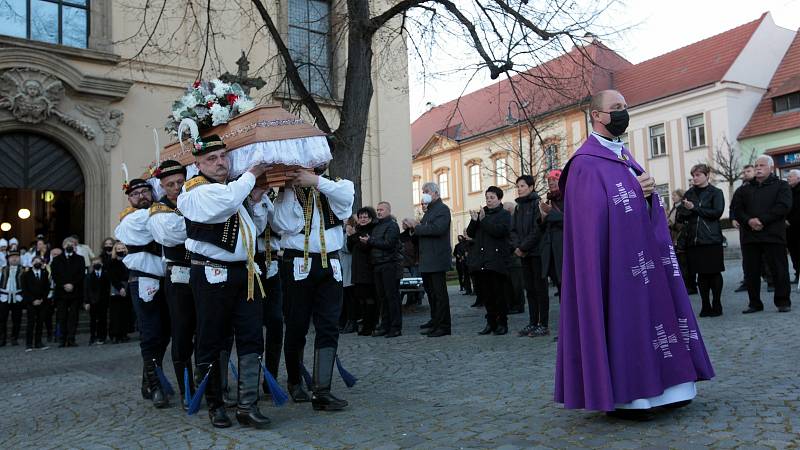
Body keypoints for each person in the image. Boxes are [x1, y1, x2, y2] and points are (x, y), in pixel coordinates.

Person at [556, 89, 714, 420]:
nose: (623, 112)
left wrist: (645, 196)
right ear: (596, 115)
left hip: (644, 259)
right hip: (614, 265)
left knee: (658, 319)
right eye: (616, 108)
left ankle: (673, 388)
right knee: (627, 321)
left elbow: (635, 204)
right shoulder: (585, 164)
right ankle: (632, 398)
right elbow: (590, 219)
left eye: (625, 106)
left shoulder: (623, 156)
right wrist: (633, 191)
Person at [177, 134, 271, 428]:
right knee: (211, 338)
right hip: (210, 273)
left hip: (245, 272)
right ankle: (216, 404)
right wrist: (252, 174)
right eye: (211, 159)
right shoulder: (194, 190)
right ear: (197, 164)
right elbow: (226, 202)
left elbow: (252, 229)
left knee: (252, 336)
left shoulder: (232, 189)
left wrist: (255, 201)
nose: (220, 163)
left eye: (222, 156)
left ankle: (247, 404)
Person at [273, 164, 355, 411]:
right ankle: (296, 381)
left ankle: (322, 390)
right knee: (297, 324)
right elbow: (284, 225)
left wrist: (317, 182)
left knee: (329, 325)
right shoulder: (288, 191)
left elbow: (346, 201)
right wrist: (291, 188)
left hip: (330, 260)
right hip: (298, 260)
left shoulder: (339, 183)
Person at [115, 177, 171, 409]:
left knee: (165, 333)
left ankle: (148, 380)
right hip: (143, 280)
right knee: (150, 333)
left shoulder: (160, 211)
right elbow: (152, 225)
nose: (141, 196)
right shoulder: (130, 219)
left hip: (165, 278)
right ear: (129, 199)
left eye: (146, 191)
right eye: (136, 194)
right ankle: (156, 385)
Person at [147, 159, 197, 410]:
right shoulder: (159, 210)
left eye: (180, 182)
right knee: (182, 332)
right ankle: (186, 387)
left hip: (202, 271)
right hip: (178, 274)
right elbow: (172, 234)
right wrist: (201, 221)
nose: (177, 187)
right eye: (171, 184)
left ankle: (210, 381)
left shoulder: (195, 199)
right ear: (163, 187)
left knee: (209, 329)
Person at [731, 155, 793, 314]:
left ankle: (783, 301)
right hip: (750, 236)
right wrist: (749, 221)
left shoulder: (781, 186)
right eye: (756, 165)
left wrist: (762, 221)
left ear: (771, 168)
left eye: (762, 165)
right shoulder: (743, 189)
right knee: (751, 272)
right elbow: (737, 209)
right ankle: (754, 303)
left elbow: (783, 206)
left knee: (779, 269)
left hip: (773, 235)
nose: (758, 168)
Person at [677, 164, 725, 317]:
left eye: (698, 175)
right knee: (701, 275)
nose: (695, 178)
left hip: (711, 239)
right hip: (694, 240)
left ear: (707, 175)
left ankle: (717, 303)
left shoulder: (716, 192)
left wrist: (694, 208)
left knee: (714, 273)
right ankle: (705, 305)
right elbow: (681, 215)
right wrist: (684, 209)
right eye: (693, 175)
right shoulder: (689, 193)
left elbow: (716, 212)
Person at [467, 186, 512, 335]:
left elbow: (499, 231)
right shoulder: (482, 214)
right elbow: (470, 233)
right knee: (487, 295)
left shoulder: (504, 214)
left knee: (499, 294)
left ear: (499, 199)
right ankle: (490, 322)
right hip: (482, 260)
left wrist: (483, 220)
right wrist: (474, 221)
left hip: (497, 260)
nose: (489, 200)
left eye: (492, 198)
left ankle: (502, 323)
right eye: (487, 198)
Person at [412, 182, 452, 338]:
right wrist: (414, 229)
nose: (424, 194)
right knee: (432, 294)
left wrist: (417, 227)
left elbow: (438, 229)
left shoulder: (442, 209)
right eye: (423, 191)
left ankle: (443, 325)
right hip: (428, 259)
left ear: (436, 193)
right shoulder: (429, 211)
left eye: (426, 191)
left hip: (437, 258)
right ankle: (435, 321)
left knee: (439, 295)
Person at [510, 175, 548, 337]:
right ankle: (533, 322)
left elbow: (537, 229)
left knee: (540, 290)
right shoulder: (518, 207)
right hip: (523, 254)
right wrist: (517, 247)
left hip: (536, 253)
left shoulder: (537, 204)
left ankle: (543, 324)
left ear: (531, 187)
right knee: (530, 290)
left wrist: (523, 247)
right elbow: (512, 230)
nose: (519, 188)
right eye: (518, 186)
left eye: (523, 186)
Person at [365, 201, 403, 338]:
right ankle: (385, 325)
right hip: (378, 265)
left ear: (388, 210)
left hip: (389, 265)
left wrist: (370, 241)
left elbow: (389, 244)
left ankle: (395, 327)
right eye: (377, 209)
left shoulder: (392, 226)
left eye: (381, 209)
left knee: (392, 297)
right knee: (382, 298)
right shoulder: (376, 226)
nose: (379, 212)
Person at [347, 207, 378, 336]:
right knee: (361, 299)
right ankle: (365, 323)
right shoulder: (358, 231)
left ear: (371, 218)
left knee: (370, 298)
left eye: (365, 217)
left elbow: (364, 246)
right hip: (357, 269)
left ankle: (370, 325)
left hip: (368, 269)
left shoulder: (372, 230)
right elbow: (350, 247)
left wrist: (353, 235)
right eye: (360, 217)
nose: (363, 219)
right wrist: (351, 237)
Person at [50, 237, 86, 348]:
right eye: (67, 244)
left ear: (75, 246)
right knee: (62, 316)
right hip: (61, 292)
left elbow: (81, 274)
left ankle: (71, 338)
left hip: (75, 291)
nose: (69, 245)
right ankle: (62, 339)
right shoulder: (56, 260)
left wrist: (72, 284)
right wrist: (64, 284)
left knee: (73, 317)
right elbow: (55, 275)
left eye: (72, 244)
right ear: (63, 246)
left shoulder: (80, 259)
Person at [540, 170, 565, 301]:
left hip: (565, 250)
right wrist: (542, 219)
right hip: (552, 252)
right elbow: (543, 228)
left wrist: (550, 213)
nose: (551, 183)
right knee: (560, 286)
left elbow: (571, 221)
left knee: (567, 286)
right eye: (549, 181)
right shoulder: (548, 200)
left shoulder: (569, 197)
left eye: (554, 180)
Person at [731, 165, 756, 293]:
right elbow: (734, 206)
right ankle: (748, 281)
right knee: (747, 257)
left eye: (748, 171)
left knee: (765, 256)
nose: (746, 173)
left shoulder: (760, 187)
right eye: (744, 171)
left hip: (760, 225)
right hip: (745, 228)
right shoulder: (740, 190)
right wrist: (734, 218)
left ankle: (770, 280)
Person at [22, 256, 50, 351]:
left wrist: (42, 299)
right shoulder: (26, 275)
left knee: (40, 323)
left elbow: (47, 288)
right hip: (31, 303)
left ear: (42, 263)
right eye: (35, 261)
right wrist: (32, 300)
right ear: (32, 262)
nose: (37, 263)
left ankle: (38, 342)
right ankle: (29, 343)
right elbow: (25, 290)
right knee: (30, 323)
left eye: (39, 262)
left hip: (42, 302)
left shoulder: (45, 273)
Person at [0, 248, 25, 346]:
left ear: (19, 258)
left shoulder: (24, 270)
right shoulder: (2, 269)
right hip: (4, 297)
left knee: (17, 319)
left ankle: (14, 338)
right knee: (2, 320)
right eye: (12, 257)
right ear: (8, 259)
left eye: (16, 257)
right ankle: (2, 339)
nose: (14, 259)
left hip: (18, 297)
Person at [83, 256, 111, 344]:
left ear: (101, 264)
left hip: (103, 301)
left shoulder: (106, 274)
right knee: (93, 320)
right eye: (94, 263)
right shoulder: (89, 276)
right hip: (93, 301)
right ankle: (92, 337)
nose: (96, 265)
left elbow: (108, 288)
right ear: (92, 265)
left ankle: (102, 337)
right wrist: (86, 302)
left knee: (103, 320)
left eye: (98, 263)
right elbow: (86, 289)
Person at [108, 242, 130, 344]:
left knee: (125, 313)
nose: (120, 250)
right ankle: (115, 334)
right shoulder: (112, 262)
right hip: (116, 289)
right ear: (115, 250)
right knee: (115, 314)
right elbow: (112, 277)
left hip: (128, 287)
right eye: (118, 249)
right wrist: (120, 288)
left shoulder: (129, 260)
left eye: (122, 248)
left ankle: (124, 334)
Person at [339, 216, 357, 333]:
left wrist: (349, 234)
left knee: (350, 300)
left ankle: (351, 322)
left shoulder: (348, 233)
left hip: (348, 270)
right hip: (342, 270)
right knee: (344, 300)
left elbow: (346, 248)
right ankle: (344, 322)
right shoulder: (342, 232)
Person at [399, 218, 422, 307]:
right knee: (408, 282)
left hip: (414, 261)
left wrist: (417, 260)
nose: (403, 225)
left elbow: (417, 247)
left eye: (405, 223)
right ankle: (411, 299)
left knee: (416, 281)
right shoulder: (402, 235)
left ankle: (417, 298)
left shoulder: (415, 233)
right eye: (403, 223)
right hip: (405, 261)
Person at [785, 169, 800, 283]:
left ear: (798, 178)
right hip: (789, 229)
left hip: (797, 225)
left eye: (790, 176)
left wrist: (791, 221)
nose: (788, 178)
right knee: (793, 252)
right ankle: (797, 273)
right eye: (788, 176)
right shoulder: (787, 191)